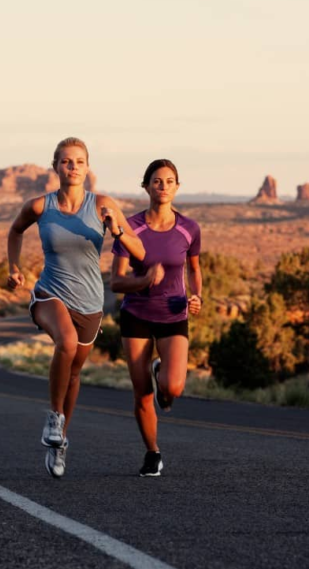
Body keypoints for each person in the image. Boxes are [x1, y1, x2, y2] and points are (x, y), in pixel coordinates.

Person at [7, 138, 145, 479]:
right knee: (65, 344)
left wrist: (117, 232)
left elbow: (139, 251)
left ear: (87, 167)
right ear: (56, 167)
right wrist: (13, 267)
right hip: (50, 293)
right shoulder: (40, 207)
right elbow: (15, 230)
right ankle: (54, 418)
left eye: (79, 162)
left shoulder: (103, 206)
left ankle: (61, 442)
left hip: (90, 303)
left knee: (73, 373)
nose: (72, 167)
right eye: (66, 162)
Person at [111, 159, 202, 477]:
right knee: (142, 393)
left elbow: (194, 268)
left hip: (174, 314)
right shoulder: (129, 228)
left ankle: (162, 372)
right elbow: (116, 282)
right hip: (136, 315)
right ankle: (153, 452)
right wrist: (143, 281)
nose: (163, 186)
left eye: (169, 181)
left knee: (173, 387)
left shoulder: (189, 228)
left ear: (177, 187)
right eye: (157, 181)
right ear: (146, 186)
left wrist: (197, 296)